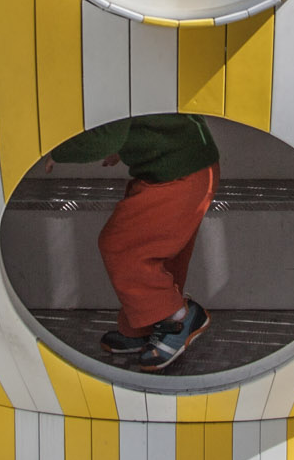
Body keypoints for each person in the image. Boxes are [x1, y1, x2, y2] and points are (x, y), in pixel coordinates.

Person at [44, 113, 221, 370]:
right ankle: (148, 327)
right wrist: (126, 146)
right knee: (156, 251)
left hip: (179, 175)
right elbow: (139, 118)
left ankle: (178, 319)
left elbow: (106, 137)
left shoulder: (112, 83)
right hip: (183, 167)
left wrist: (58, 151)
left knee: (122, 245)